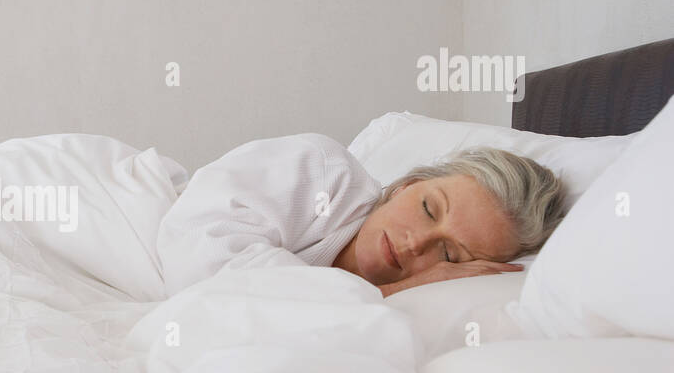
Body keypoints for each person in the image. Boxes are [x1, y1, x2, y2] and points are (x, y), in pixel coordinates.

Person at [157, 133, 567, 297]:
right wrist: (390, 292)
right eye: (428, 209)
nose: (415, 243)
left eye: (449, 255)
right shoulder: (322, 170)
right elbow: (198, 256)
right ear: (407, 185)